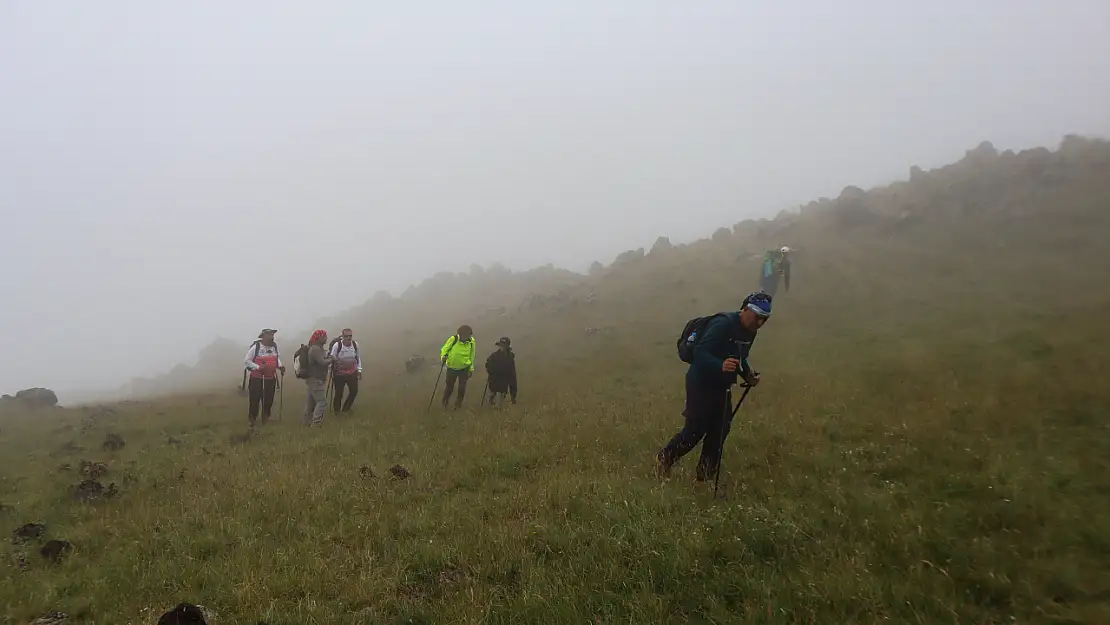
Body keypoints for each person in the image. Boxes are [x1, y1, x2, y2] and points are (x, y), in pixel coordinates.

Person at [656, 291, 773, 482]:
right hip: (700, 382)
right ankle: (664, 459)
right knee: (695, 430)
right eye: (757, 317)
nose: (759, 323)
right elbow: (701, 353)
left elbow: (740, 357)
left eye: (764, 319)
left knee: (719, 431)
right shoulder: (723, 324)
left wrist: (748, 375)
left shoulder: (751, 332)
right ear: (745, 310)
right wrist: (720, 365)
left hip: (722, 385)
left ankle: (705, 477)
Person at [243, 328, 285, 427]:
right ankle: (252, 419)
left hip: (270, 378)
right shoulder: (256, 347)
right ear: (263, 337)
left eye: (272, 335)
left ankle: (265, 418)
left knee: (268, 400)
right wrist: (258, 367)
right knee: (255, 400)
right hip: (257, 378)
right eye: (269, 335)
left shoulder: (274, 346)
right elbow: (247, 361)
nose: (272, 337)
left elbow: (276, 358)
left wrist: (280, 366)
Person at [301, 329, 333, 426]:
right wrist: (332, 359)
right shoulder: (315, 349)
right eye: (324, 336)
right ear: (318, 338)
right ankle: (316, 423)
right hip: (315, 379)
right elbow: (322, 362)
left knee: (311, 403)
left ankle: (306, 422)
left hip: (314, 379)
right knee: (322, 402)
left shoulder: (317, 348)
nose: (326, 338)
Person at [439, 325, 476, 409]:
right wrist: (443, 357)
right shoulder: (453, 339)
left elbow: (472, 355)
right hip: (451, 368)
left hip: (464, 368)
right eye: (465, 336)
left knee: (462, 388)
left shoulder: (472, 341)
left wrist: (471, 368)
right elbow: (444, 349)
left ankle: (458, 404)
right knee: (449, 387)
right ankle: (445, 402)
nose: (467, 337)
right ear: (460, 334)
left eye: (468, 335)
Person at [329, 328, 362, 414]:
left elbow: (357, 358)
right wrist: (333, 367)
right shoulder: (337, 345)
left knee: (354, 391)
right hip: (339, 373)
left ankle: (346, 409)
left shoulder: (355, 344)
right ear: (342, 336)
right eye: (346, 336)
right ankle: (337, 411)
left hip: (352, 372)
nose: (348, 338)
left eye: (350, 336)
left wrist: (359, 370)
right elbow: (332, 356)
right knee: (339, 393)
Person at [484, 337, 518, 408]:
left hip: (504, 381)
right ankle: (490, 405)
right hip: (494, 379)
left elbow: (512, 374)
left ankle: (498, 410)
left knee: (501, 398)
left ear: (507, 346)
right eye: (501, 345)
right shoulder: (494, 356)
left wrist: (513, 394)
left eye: (504, 346)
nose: (502, 347)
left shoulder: (510, 357)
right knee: (492, 394)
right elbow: (487, 365)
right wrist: (490, 371)